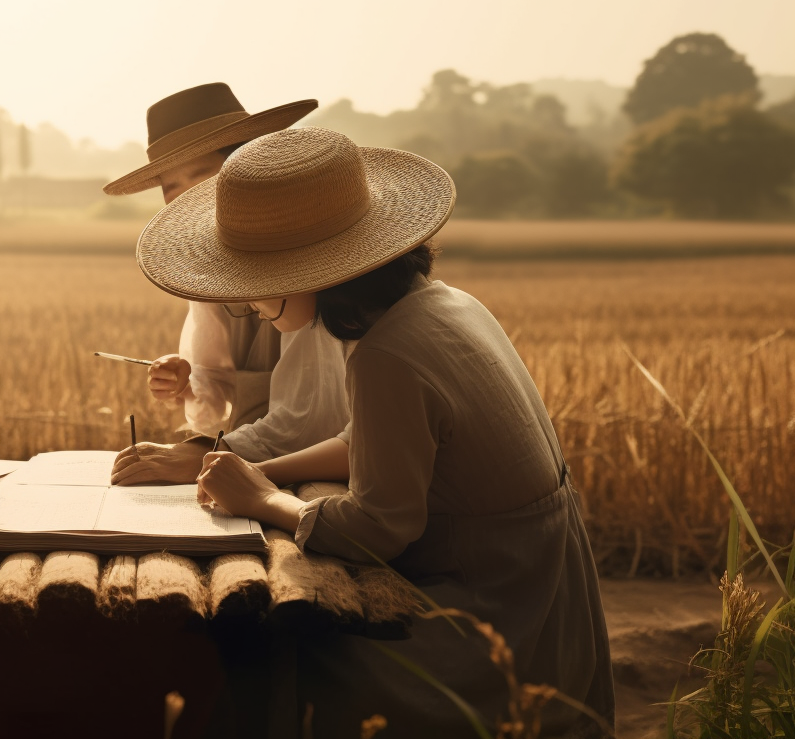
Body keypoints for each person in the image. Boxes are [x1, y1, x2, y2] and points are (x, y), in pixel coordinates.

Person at [139, 126, 614, 737]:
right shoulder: (447, 305)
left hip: (489, 616)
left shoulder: (386, 353)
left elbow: (379, 527)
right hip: (540, 592)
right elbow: (368, 442)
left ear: (310, 273)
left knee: (270, 661)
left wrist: (261, 501)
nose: (248, 304)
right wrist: (266, 472)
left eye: (252, 285)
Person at [103, 83, 349, 485]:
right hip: (249, 459)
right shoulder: (208, 270)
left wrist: (203, 456)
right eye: (173, 188)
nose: (190, 199)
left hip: (315, 473)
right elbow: (215, 386)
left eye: (203, 177)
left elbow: (314, 415)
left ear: (249, 167)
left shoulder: (307, 259)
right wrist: (186, 381)